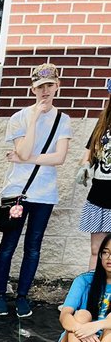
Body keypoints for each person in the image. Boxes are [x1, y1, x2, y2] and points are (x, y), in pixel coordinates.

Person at [0, 62, 71, 319]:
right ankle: (0, 294)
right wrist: (35, 118)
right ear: (32, 89)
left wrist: (24, 158)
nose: (45, 91)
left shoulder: (63, 120)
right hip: (19, 192)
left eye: (49, 85)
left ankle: (23, 296)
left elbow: (59, 158)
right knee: (9, 244)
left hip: (44, 194)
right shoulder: (19, 118)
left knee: (33, 246)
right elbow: (24, 150)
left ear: (57, 86)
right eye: (40, 87)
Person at [57, 231, 111, 342]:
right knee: (81, 314)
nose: (109, 258)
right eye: (105, 253)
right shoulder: (84, 280)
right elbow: (65, 315)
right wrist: (81, 329)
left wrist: (95, 326)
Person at [74, 78, 111, 269]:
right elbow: (89, 152)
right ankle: (92, 293)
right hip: (99, 194)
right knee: (97, 250)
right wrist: (84, 166)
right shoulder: (103, 122)